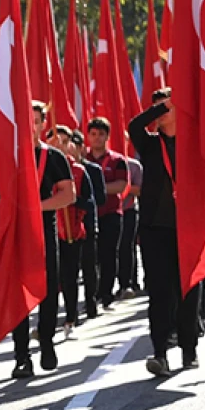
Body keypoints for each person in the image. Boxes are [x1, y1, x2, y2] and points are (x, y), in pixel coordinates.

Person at [0, 102, 76, 378]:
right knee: (18, 291)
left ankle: (48, 341)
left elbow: (69, 195)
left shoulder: (53, 157)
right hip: (13, 231)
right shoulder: (8, 153)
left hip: (43, 229)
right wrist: (3, 130)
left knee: (48, 288)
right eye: (26, 121)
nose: (31, 126)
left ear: (43, 124)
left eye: (36, 121)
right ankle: (22, 356)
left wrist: (36, 206)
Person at [128, 88, 202, 376]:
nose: (160, 115)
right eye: (156, 110)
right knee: (159, 292)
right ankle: (159, 351)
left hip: (188, 228)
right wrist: (161, 107)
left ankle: (189, 347)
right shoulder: (149, 144)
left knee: (188, 291)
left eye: (166, 109)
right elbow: (134, 125)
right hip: (154, 229)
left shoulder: (192, 144)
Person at [51, 127, 96, 337]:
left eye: (65, 140)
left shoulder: (78, 171)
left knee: (70, 277)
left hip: (72, 231)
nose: (59, 143)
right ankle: (47, 322)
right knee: (50, 279)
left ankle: (70, 317)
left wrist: (71, 199)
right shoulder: (41, 167)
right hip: (48, 230)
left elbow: (90, 202)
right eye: (55, 139)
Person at [84, 118, 129, 309]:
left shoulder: (117, 160)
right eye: (93, 134)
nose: (97, 138)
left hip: (111, 213)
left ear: (107, 137)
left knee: (108, 254)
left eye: (101, 134)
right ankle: (91, 295)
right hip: (88, 215)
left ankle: (107, 292)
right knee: (89, 257)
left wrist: (95, 188)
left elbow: (121, 185)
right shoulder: (83, 160)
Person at [74, 130, 106, 319]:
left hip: (86, 224)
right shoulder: (60, 168)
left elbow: (98, 198)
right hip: (64, 228)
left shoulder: (92, 170)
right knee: (69, 271)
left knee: (89, 266)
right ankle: (72, 310)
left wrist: (75, 199)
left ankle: (91, 301)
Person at [118, 155, 144, 298]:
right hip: (108, 211)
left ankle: (131, 282)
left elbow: (140, 189)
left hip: (129, 209)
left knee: (128, 245)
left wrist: (122, 185)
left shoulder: (134, 166)